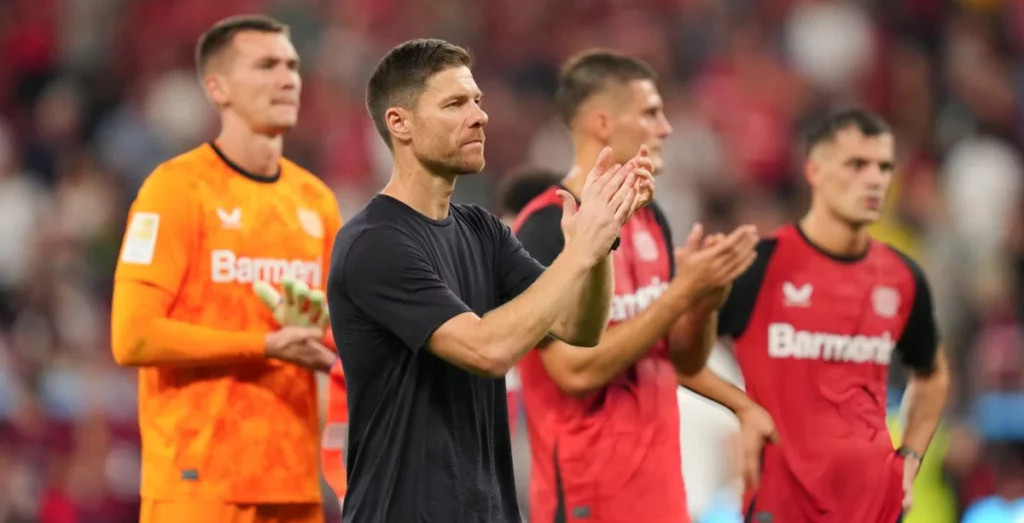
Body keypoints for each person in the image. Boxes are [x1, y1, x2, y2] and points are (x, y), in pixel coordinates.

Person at [326, 38, 653, 523]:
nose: (479, 116)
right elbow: (487, 350)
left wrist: (600, 244)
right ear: (400, 124)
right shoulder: (374, 243)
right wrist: (579, 249)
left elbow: (579, 329)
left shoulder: (482, 229)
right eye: (455, 103)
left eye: (477, 101)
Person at [511, 49, 767, 523]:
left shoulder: (651, 220)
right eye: (651, 112)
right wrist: (679, 295)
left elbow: (678, 358)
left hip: (663, 494)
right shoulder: (544, 229)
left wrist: (705, 300)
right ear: (603, 124)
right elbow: (574, 373)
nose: (666, 128)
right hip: (589, 499)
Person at [110, 15, 342, 523]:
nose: (288, 79)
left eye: (292, 66)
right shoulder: (175, 190)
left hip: (294, 484)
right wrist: (262, 344)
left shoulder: (315, 200)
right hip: (198, 486)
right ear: (218, 88)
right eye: (266, 65)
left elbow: (329, 339)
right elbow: (133, 337)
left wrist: (328, 340)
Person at [683, 108, 950, 522]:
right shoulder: (760, 268)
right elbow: (681, 359)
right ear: (815, 172)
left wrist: (910, 459)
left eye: (883, 167)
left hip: (871, 506)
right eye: (856, 165)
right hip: (782, 504)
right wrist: (744, 408)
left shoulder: (901, 276)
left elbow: (932, 373)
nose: (875, 179)